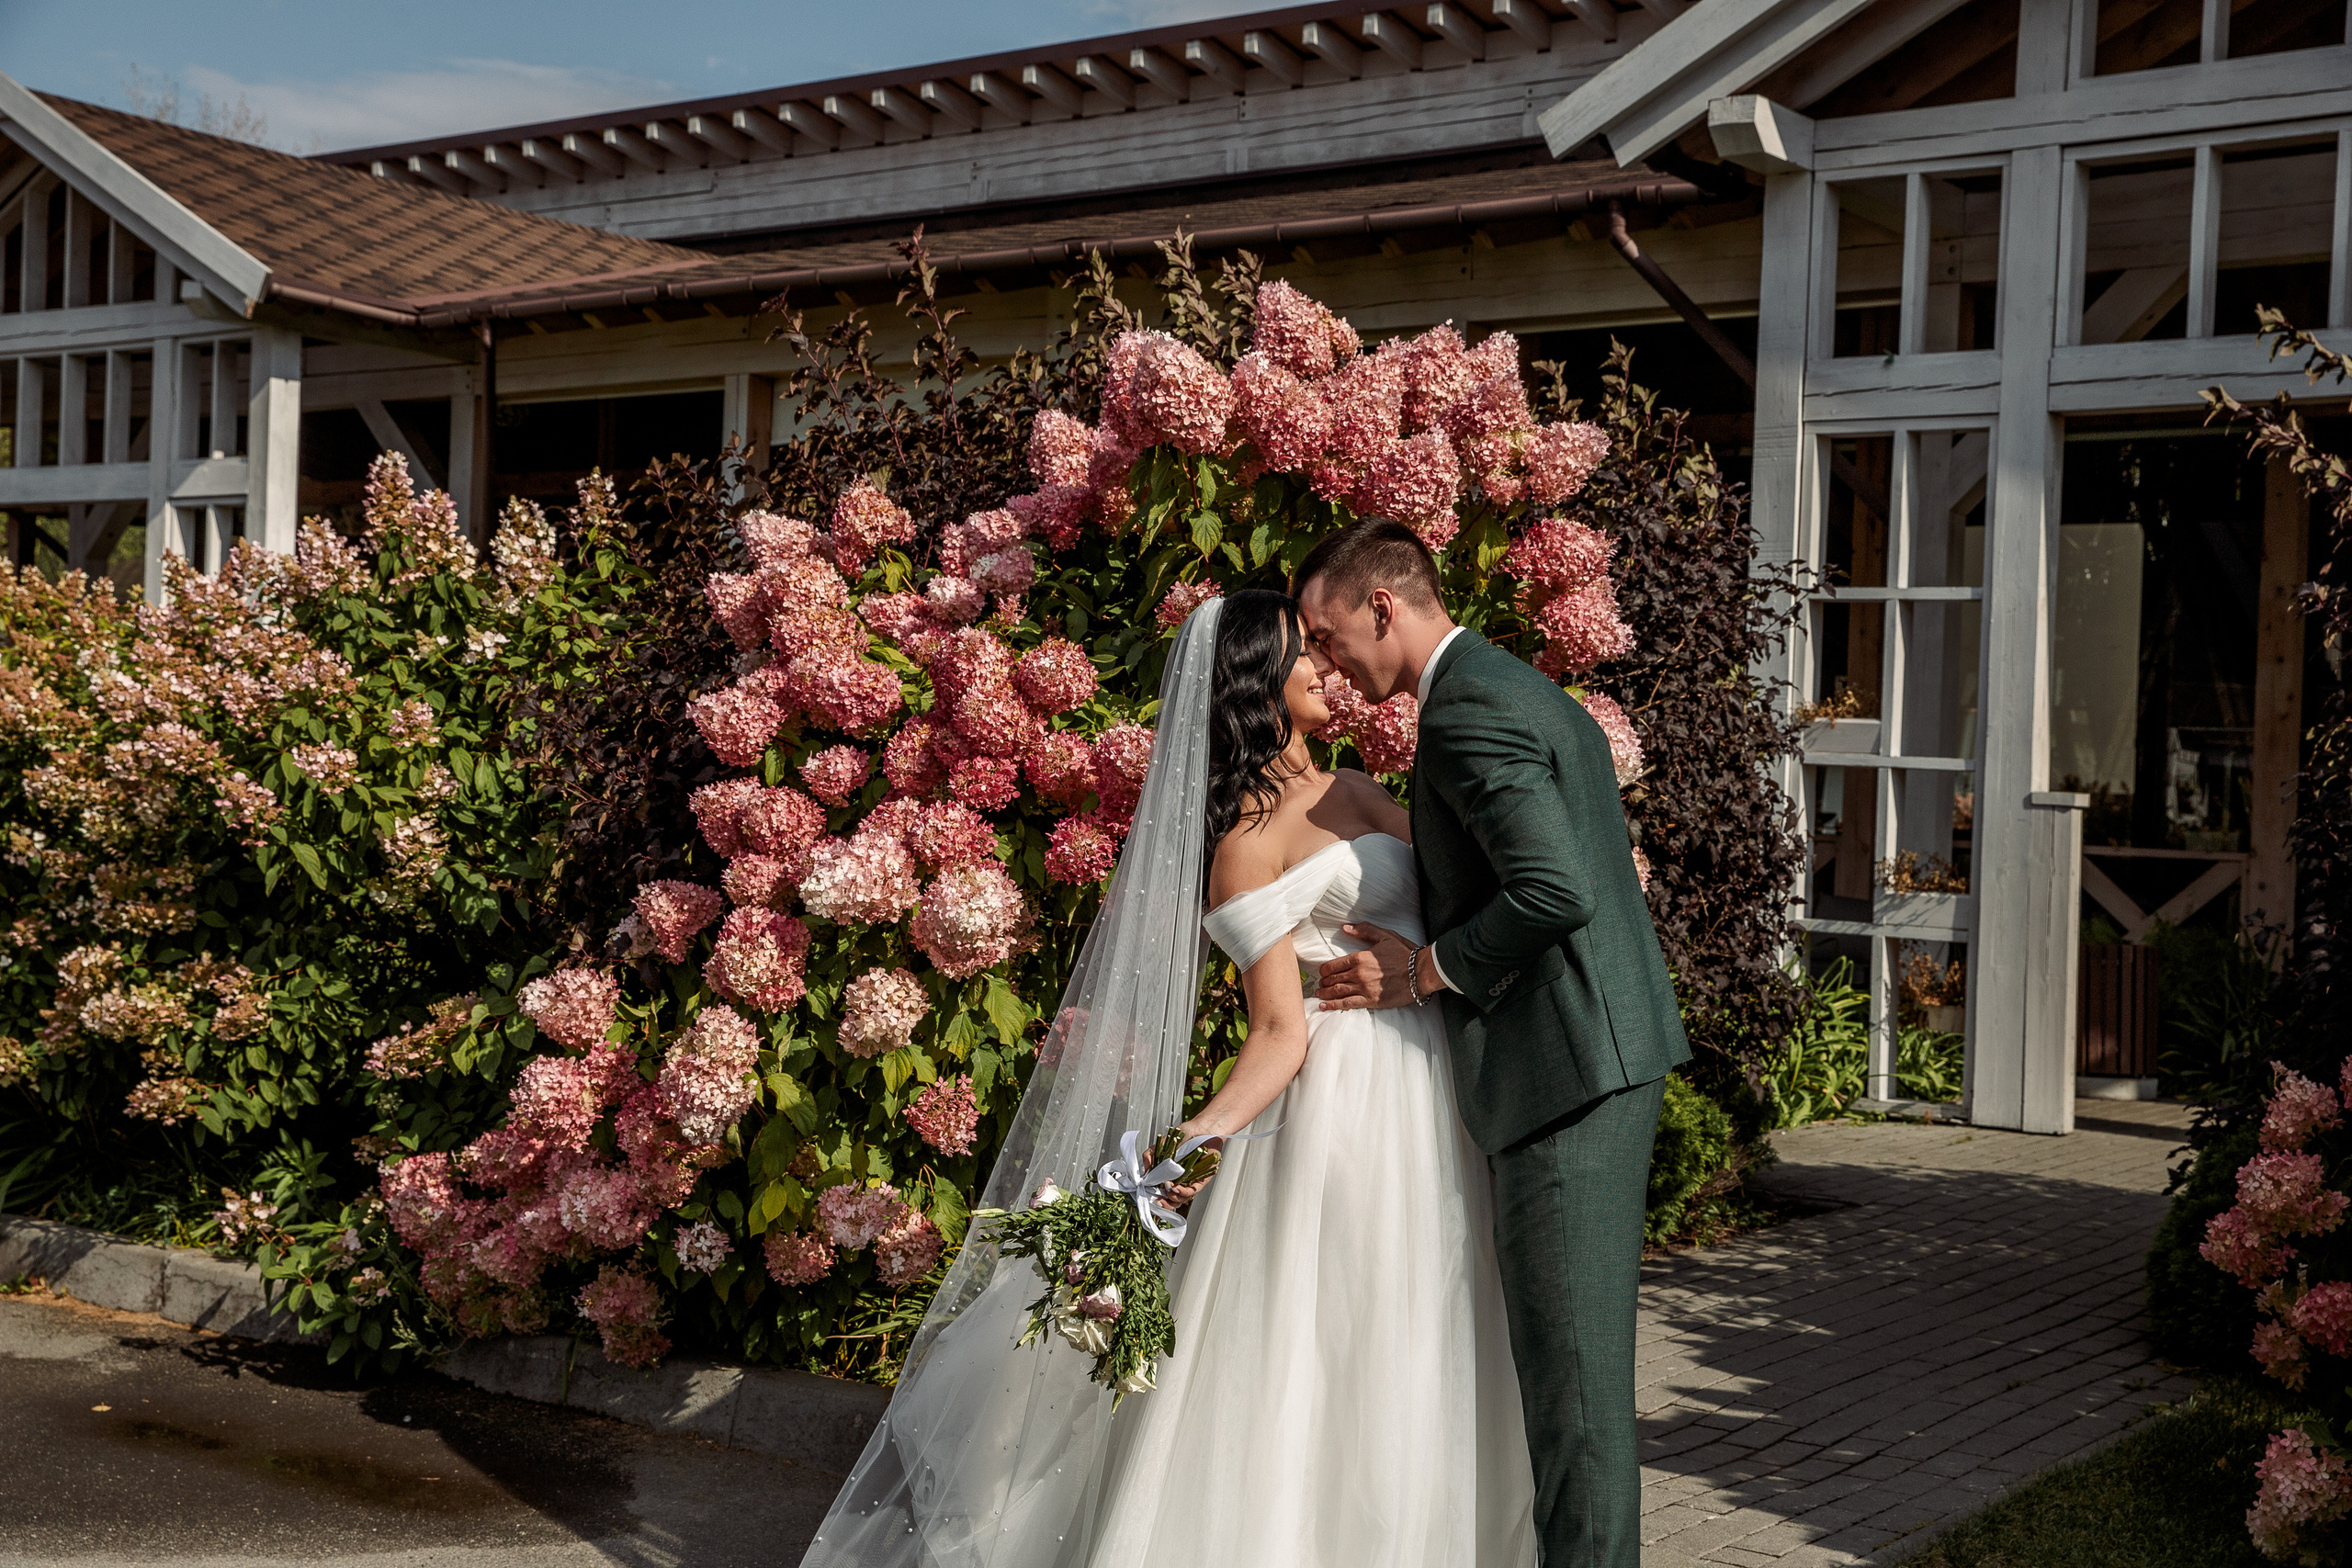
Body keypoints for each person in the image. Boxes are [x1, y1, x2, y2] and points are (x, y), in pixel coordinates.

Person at [799, 589, 1534, 1567]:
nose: (1321, 664)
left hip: (1435, 1081)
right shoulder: (1244, 847)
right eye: (1296, 654)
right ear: (1248, 685)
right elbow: (1277, 1032)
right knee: (1343, 1338)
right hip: (1345, 1106)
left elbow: (1474, 897)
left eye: (1320, 647)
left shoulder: (1362, 789)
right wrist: (1178, 1156)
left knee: (1437, 1324)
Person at [1296, 518, 1690, 1568]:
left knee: (1574, 1399)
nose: (1327, 667)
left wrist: (1422, 971)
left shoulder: (1467, 716)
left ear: (1383, 605)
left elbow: (1551, 890)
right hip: (1593, 1055)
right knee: (1573, 1386)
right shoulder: (1510, 685)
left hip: (1566, 1075)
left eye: (1328, 637)